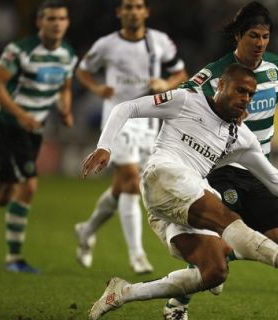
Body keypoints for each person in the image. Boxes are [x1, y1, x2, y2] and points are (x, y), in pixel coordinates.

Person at [82, 64, 278, 320]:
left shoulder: (241, 136)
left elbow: (274, 179)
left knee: (215, 271)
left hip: (183, 196)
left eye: (250, 95)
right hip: (164, 173)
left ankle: (123, 293)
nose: (246, 99)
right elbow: (127, 107)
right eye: (240, 91)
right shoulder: (186, 99)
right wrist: (105, 146)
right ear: (221, 85)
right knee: (226, 218)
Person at [164, 2, 278, 318]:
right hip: (221, 169)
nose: (260, 43)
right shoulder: (216, 73)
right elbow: (182, 103)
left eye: (266, 36)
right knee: (221, 240)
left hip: (260, 170)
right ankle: (178, 303)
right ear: (239, 36)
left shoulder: (277, 68)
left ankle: (217, 261)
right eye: (254, 35)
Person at [74, 0, 188, 274]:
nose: (133, 11)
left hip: (148, 121)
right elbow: (82, 70)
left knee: (124, 185)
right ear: (119, 13)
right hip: (118, 120)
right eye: (128, 7)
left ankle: (86, 229)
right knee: (128, 180)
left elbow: (180, 73)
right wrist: (97, 88)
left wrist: (166, 84)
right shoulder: (106, 45)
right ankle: (137, 255)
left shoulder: (159, 42)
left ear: (146, 12)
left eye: (138, 6)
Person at [0, 0, 77, 273]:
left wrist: (65, 108)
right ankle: (14, 260)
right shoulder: (19, 51)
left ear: (67, 23)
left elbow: (64, 86)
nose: (57, 24)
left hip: (35, 128)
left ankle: (14, 259)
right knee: (28, 186)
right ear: (39, 22)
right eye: (51, 19)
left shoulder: (67, 54)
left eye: (61, 19)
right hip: (10, 126)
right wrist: (20, 114)